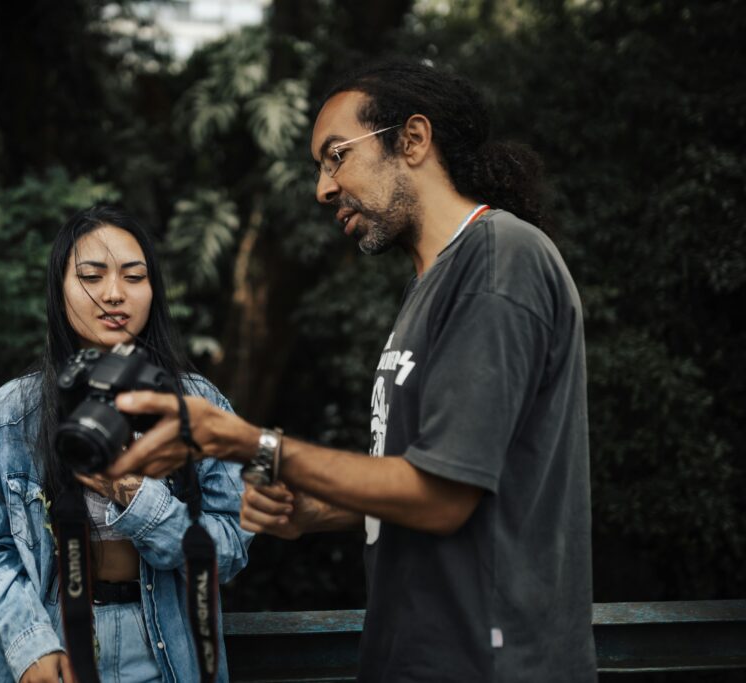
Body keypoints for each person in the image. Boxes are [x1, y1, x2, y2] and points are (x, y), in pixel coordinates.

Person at [107, 60, 596, 682]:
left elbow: (444, 499)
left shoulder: (500, 262)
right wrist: (320, 509)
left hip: (491, 662)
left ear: (412, 140)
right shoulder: (432, 283)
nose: (322, 187)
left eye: (336, 154)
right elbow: (443, 479)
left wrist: (253, 444)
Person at [0, 204, 252, 683]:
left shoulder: (199, 407)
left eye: (133, 277)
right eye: (91, 277)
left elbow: (229, 553)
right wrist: (27, 646)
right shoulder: (12, 413)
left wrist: (135, 493)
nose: (114, 294)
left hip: (169, 648)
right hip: (54, 644)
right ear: (60, 290)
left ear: (152, 291)